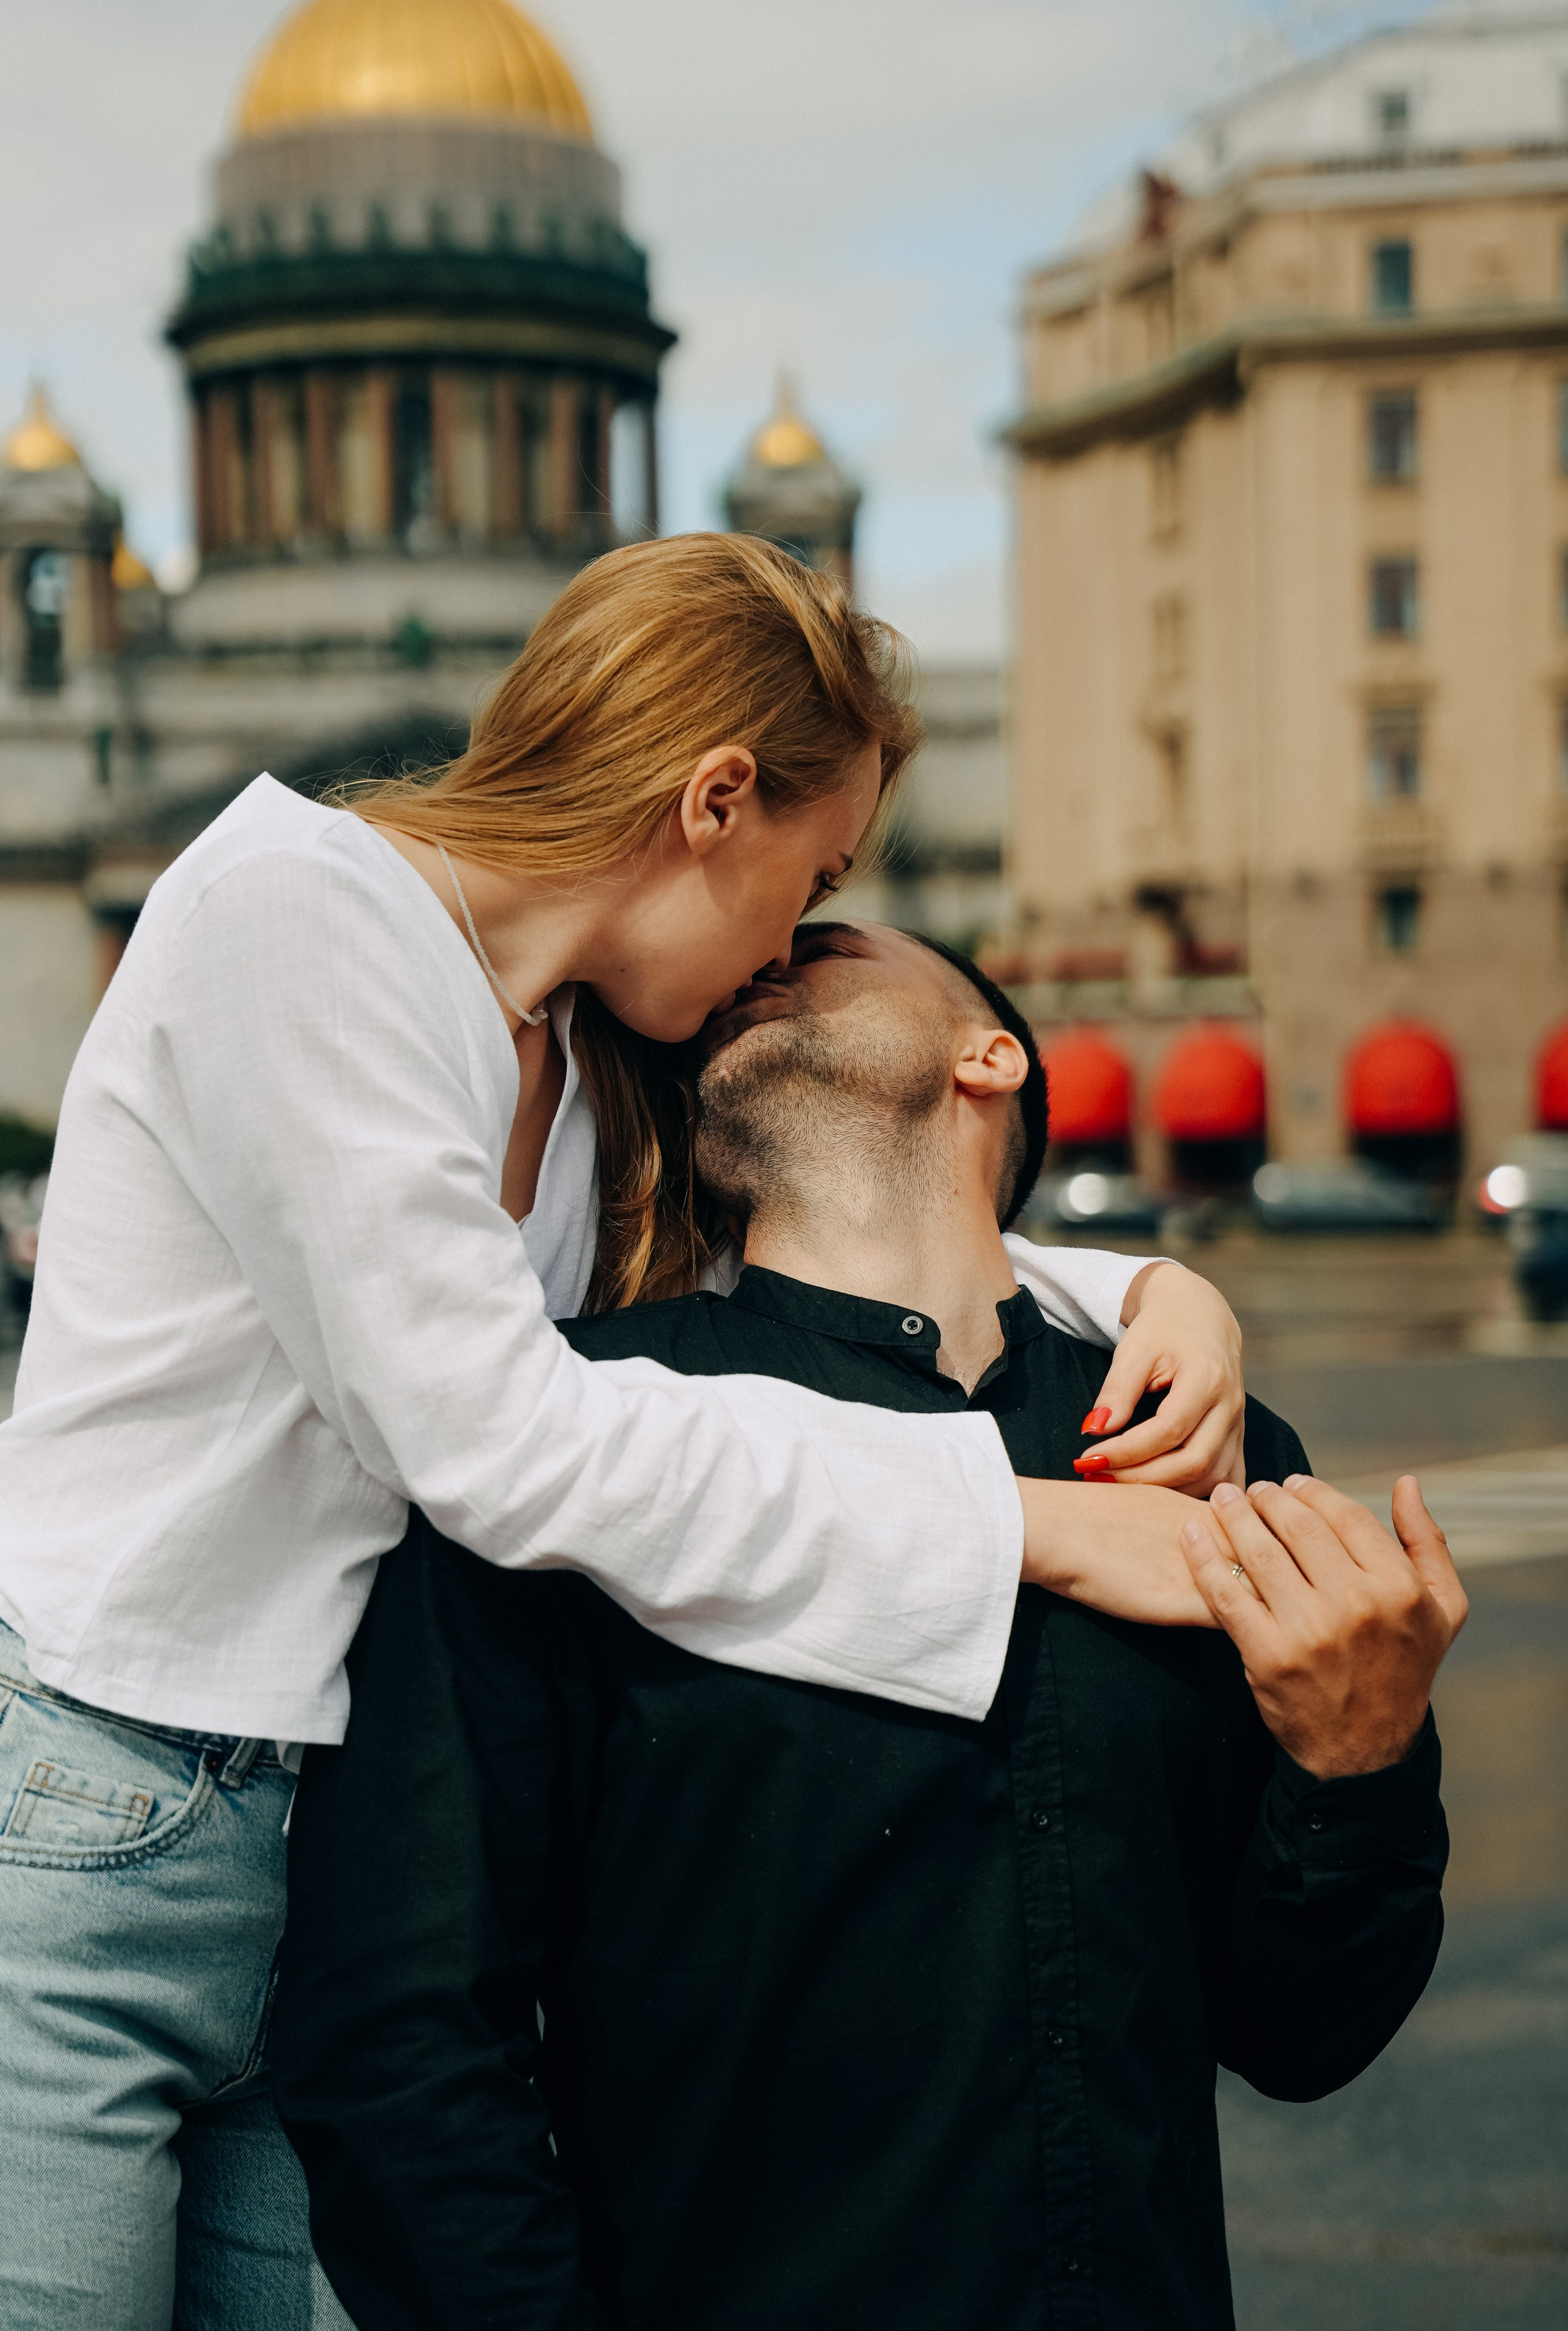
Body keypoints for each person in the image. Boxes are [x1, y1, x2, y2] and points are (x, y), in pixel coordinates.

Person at [0, 537, 1249, 2331]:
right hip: (96, 1816)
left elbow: (862, 1205)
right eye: (814, 877)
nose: (787, 951)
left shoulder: (581, 1053)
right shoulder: (293, 910)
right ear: (715, 799)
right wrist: (1024, 1519)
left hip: (323, 1873)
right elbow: (505, 1444)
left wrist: (1138, 1289)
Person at [272, 920, 1467, 2331]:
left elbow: (1301, 2036)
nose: (759, 954)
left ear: (987, 1055)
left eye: (828, 942)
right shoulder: (566, 1442)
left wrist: (1360, 1760)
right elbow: (397, 2032)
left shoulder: (1206, 1451)